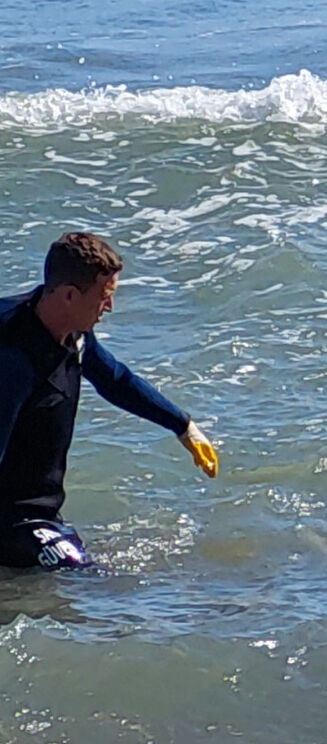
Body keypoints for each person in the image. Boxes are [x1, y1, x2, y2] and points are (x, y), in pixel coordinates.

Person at [0, 233, 217, 571]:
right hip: (10, 518)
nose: (110, 307)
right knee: (82, 574)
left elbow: (113, 378)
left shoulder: (74, 334)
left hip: (40, 511)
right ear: (70, 295)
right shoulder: (13, 359)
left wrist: (183, 426)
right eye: (104, 297)